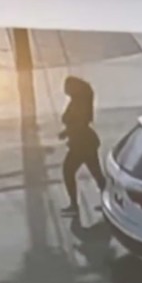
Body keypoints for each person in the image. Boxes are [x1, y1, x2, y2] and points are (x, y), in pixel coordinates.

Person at [58, 76, 106, 216]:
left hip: (81, 144)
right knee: (97, 175)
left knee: (68, 171)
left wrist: (66, 132)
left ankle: (74, 206)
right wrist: (67, 132)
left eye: (67, 86)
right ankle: (110, 203)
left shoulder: (79, 103)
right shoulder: (78, 100)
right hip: (86, 142)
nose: (65, 90)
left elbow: (79, 124)